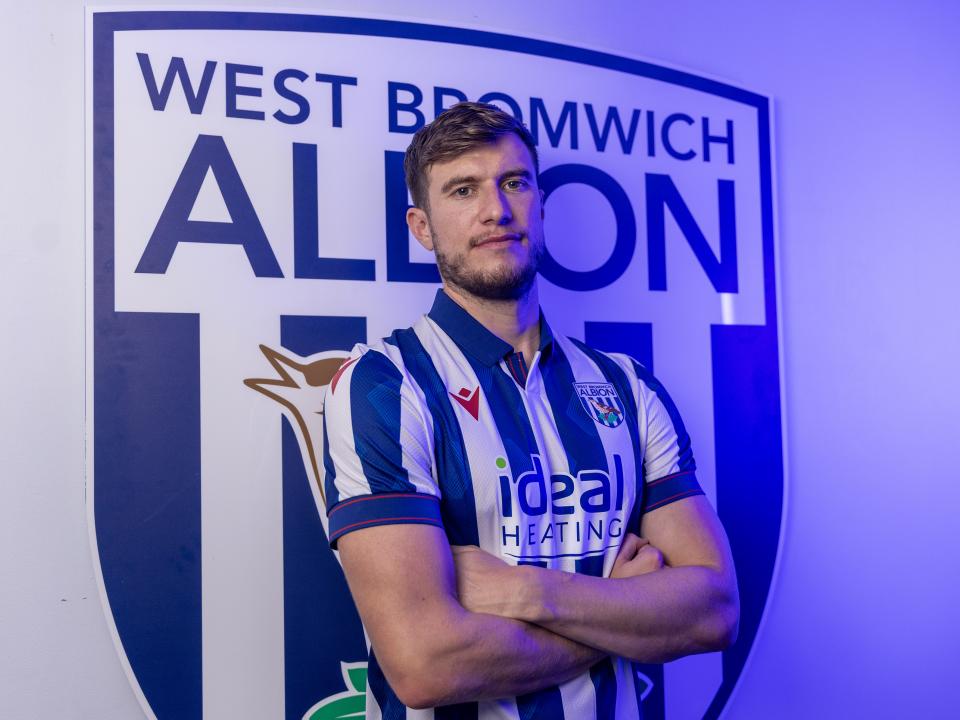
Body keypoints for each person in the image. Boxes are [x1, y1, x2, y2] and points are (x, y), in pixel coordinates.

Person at [322, 101, 738, 719]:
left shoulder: (627, 386)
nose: (496, 209)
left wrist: (529, 592)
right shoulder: (384, 386)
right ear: (422, 227)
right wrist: (619, 607)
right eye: (463, 190)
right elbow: (424, 664)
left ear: (540, 205)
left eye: (514, 182)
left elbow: (713, 611)